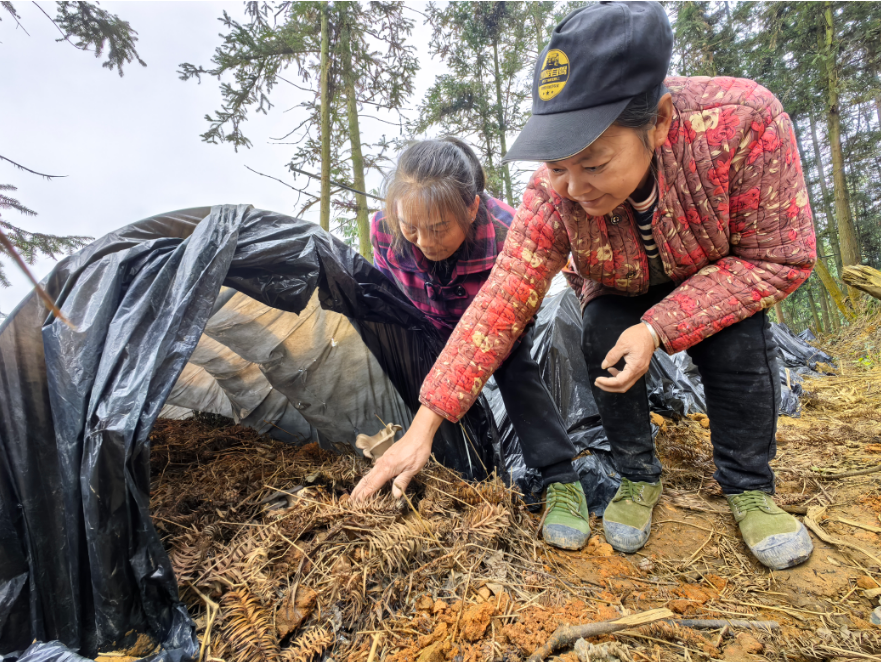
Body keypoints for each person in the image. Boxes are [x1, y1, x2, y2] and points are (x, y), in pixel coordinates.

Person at [353, 2, 817, 571]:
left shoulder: (742, 123)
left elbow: (780, 257)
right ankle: (637, 476)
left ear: (661, 123)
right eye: (555, 167)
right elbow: (500, 301)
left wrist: (659, 327)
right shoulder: (553, 194)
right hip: (617, 281)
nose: (571, 188)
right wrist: (425, 423)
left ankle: (749, 487)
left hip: (713, 272)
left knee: (738, 342)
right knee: (599, 333)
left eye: (594, 165)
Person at [354, 137, 591, 550]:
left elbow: (515, 308)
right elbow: (387, 291)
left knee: (516, 373)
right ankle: (457, 468)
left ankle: (561, 479)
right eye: (411, 227)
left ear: (471, 208)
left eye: (439, 228)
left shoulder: (507, 231)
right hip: (429, 319)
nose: (424, 242)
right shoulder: (385, 230)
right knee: (419, 377)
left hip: (498, 324)